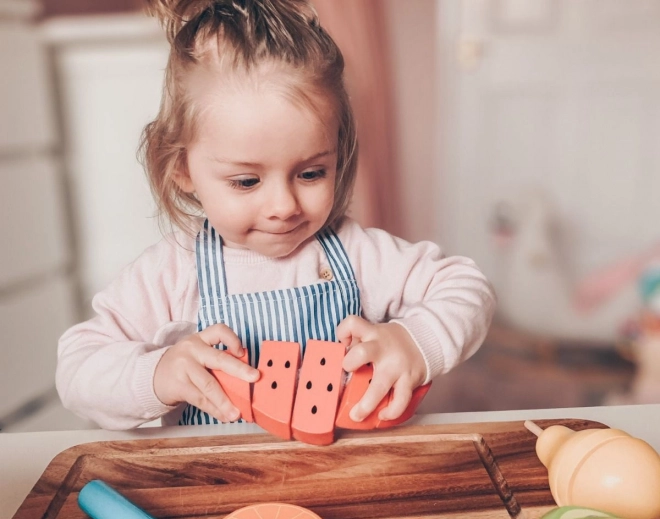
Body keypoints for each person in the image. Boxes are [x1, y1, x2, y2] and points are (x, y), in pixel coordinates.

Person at [56, 0, 496, 431]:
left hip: (350, 479)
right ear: (183, 169)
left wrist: (416, 342)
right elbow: (77, 370)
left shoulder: (355, 252)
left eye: (310, 173)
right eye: (246, 182)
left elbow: (467, 287)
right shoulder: (172, 273)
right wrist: (157, 374)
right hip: (217, 489)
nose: (284, 206)